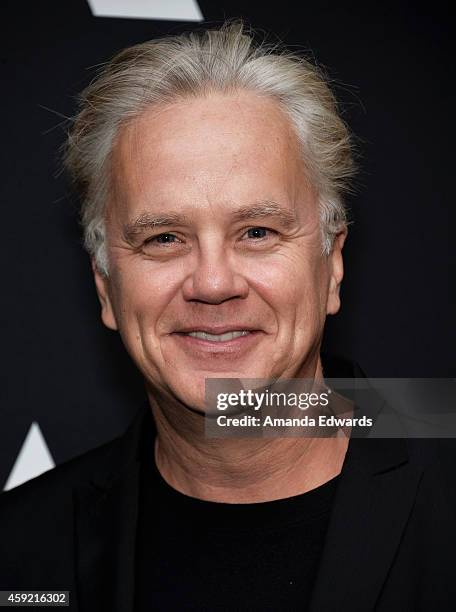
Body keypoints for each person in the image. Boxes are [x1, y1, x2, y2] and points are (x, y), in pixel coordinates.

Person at [0, 21, 454, 612]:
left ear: (333, 263)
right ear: (106, 285)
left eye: (258, 232)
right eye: (163, 238)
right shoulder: (21, 550)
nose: (213, 283)